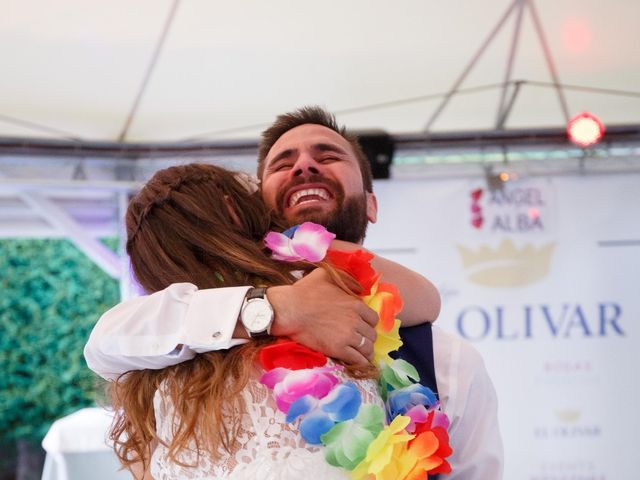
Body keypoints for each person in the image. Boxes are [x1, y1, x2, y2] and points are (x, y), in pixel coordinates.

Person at [85, 106, 503, 479]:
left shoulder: (446, 358)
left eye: (328, 156)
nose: (304, 165)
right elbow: (103, 341)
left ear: (371, 204)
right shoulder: (188, 337)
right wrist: (275, 308)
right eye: (283, 163)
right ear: (255, 208)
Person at [109, 162, 441, 478]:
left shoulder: (144, 378)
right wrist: (290, 240)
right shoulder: (318, 293)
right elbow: (426, 298)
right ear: (233, 209)